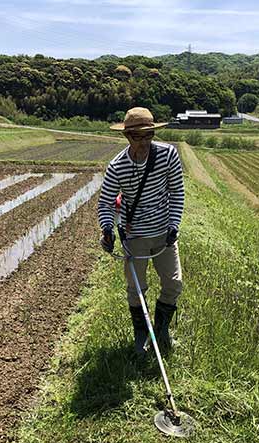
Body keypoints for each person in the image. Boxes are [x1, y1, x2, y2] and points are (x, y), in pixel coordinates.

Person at [97, 107, 185, 355]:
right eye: (138, 137)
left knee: (174, 283)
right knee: (137, 288)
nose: (144, 142)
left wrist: (173, 225)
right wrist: (107, 228)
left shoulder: (168, 155)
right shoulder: (117, 166)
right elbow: (105, 202)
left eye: (149, 135)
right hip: (134, 236)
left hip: (164, 233)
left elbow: (177, 192)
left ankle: (162, 330)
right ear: (127, 136)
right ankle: (141, 333)